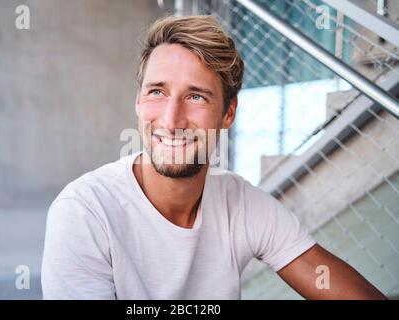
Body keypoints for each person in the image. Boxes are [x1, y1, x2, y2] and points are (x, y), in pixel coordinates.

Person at [41, 15, 386, 300]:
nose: (171, 120)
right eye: (157, 91)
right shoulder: (85, 211)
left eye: (196, 97)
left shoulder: (241, 204)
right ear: (138, 100)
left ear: (228, 113)